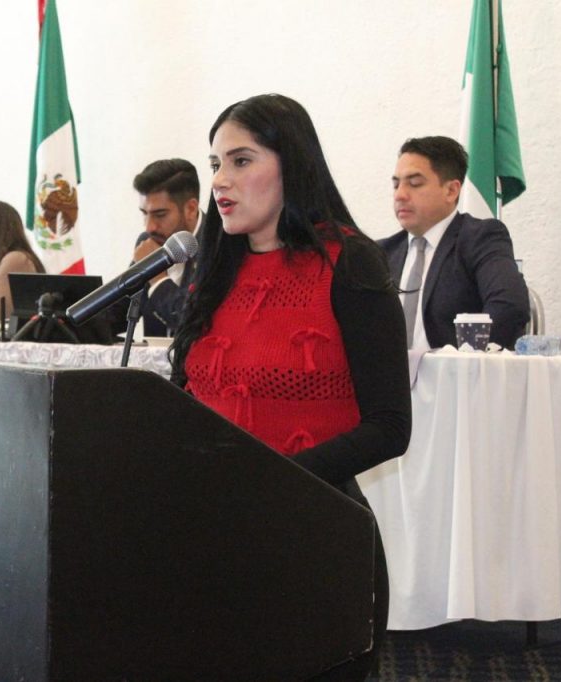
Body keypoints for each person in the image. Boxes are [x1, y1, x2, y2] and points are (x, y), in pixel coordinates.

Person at [170, 94, 411, 679]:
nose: (220, 181)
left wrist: (272, 481)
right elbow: (185, 400)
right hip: (214, 538)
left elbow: (389, 426)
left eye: (241, 161)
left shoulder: (350, 264)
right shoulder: (214, 270)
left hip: (313, 537)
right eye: (215, 164)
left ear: (292, 164)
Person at [380, 136, 530, 350]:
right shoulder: (380, 253)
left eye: (414, 183)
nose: (400, 195)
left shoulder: (480, 238)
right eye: (396, 185)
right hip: (388, 371)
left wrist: (465, 361)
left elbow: (509, 305)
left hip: (456, 369)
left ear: (451, 191)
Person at [123, 159, 202, 336]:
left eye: (160, 215)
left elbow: (195, 323)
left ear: (190, 209)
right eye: (144, 213)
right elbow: (120, 311)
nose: (149, 227)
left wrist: (158, 280)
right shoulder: (149, 241)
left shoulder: (218, 247)